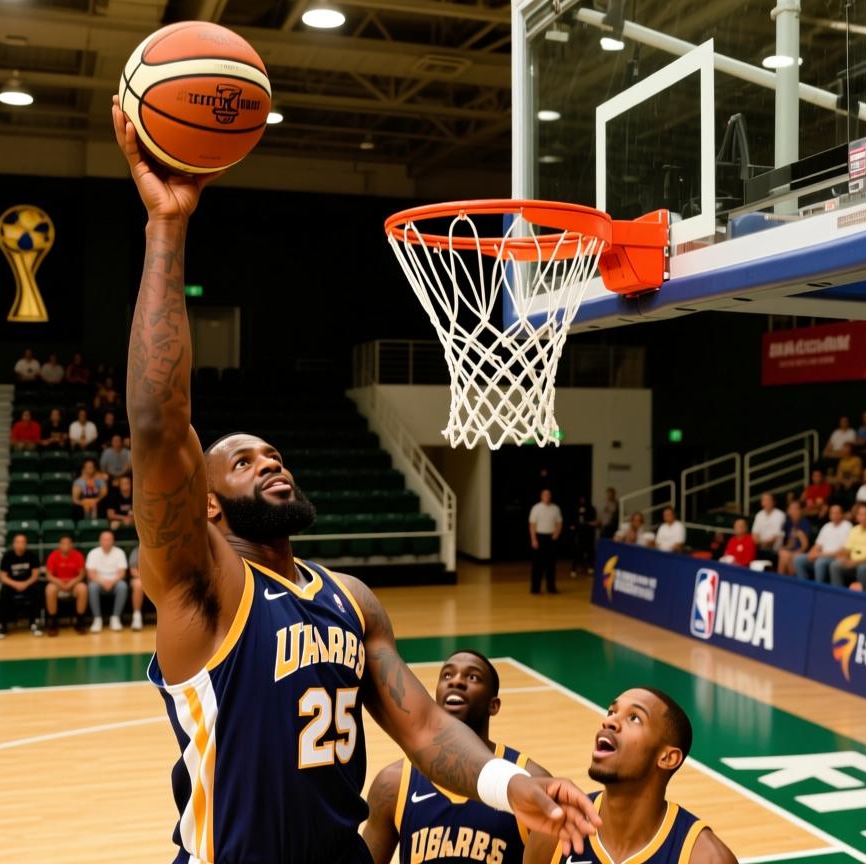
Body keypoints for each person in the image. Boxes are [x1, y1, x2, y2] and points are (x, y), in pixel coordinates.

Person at [112, 98, 599, 864]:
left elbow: (424, 728)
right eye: (244, 461)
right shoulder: (200, 584)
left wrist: (511, 786)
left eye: (274, 454)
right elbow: (157, 422)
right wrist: (166, 227)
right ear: (205, 502)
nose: (271, 462)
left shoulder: (351, 599)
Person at [362, 651, 549, 864]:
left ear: (494, 705)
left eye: (473, 677)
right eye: (447, 675)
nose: (456, 681)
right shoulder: (394, 783)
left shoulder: (529, 779)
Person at [523, 688, 737, 864]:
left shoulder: (705, 858)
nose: (610, 722)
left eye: (634, 718)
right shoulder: (553, 834)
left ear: (667, 758)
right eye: (611, 712)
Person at [0, 533, 43, 638]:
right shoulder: (7, 556)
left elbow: (35, 575)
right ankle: (2, 625)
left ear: (26, 544)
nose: (20, 544)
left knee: (37, 590)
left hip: (28, 583)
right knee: (3, 592)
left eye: (23, 542)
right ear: (14, 544)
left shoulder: (32, 556)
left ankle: (35, 622)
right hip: (12, 584)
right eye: (18, 542)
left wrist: (25, 584)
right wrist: (16, 584)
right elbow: (2, 576)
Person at [828, 505, 866, 589]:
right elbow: (848, 549)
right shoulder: (854, 530)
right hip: (853, 561)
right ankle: (837, 593)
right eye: (861, 514)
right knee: (835, 565)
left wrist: (856, 562)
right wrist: (845, 558)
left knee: (863, 568)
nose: (864, 517)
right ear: (857, 517)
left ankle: (864, 595)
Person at [84, 530, 129, 633]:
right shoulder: (93, 553)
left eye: (109, 539)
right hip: (98, 582)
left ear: (113, 541)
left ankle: (115, 618)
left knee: (122, 586)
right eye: (104, 539)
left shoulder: (119, 552)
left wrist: (112, 582)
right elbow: (91, 574)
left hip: (115, 582)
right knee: (92, 587)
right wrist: (103, 582)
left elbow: (122, 573)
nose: (106, 541)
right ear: (100, 541)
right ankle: (97, 619)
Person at [794, 505, 852, 583]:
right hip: (821, 555)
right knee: (799, 559)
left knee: (820, 562)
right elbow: (818, 545)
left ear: (841, 514)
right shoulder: (827, 526)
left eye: (836, 513)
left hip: (835, 557)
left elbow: (843, 551)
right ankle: (803, 585)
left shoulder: (847, 526)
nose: (834, 515)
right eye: (832, 513)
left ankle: (818, 588)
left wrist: (820, 555)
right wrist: (811, 553)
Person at [44, 535, 88, 636]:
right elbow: (49, 575)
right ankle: (53, 623)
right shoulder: (53, 555)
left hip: (74, 584)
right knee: (50, 589)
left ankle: (80, 622)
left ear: (72, 545)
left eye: (68, 543)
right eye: (63, 543)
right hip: (58, 584)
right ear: (60, 545)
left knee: (83, 588)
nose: (66, 546)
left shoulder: (77, 555)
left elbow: (82, 574)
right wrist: (59, 583)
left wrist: (71, 583)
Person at [529, 489, 563, 595]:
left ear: (550, 496)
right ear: (541, 496)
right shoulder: (536, 508)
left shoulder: (555, 508)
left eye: (548, 495)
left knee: (551, 564)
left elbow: (559, 523)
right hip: (539, 537)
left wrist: (557, 533)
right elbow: (532, 525)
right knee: (537, 565)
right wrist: (534, 539)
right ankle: (535, 588)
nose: (546, 496)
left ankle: (551, 588)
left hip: (551, 538)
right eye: (544, 495)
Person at [776, 500, 811, 576]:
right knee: (783, 553)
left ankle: (788, 579)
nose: (794, 511)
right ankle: (782, 578)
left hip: (801, 551)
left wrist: (800, 536)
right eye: (791, 509)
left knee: (789, 556)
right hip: (791, 550)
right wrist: (784, 547)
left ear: (800, 510)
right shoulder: (788, 523)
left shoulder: (805, 523)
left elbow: (805, 545)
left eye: (796, 509)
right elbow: (789, 544)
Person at [749, 493, 785, 559]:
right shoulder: (759, 515)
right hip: (760, 547)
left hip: (774, 548)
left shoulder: (780, 515)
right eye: (764, 500)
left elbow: (775, 537)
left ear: (774, 502)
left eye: (769, 500)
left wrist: (762, 543)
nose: (766, 502)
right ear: (761, 503)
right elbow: (755, 534)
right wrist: (760, 543)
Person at [570, 495, 598, 576]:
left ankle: (590, 567)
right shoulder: (576, 508)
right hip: (579, 533)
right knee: (577, 550)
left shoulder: (591, 508)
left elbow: (593, 521)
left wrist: (587, 523)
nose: (582, 501)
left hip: (588, 533)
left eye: (584, 499)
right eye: (581, 499)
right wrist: (574, 526)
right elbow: (574, 520)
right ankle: (574, 569)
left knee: (589, 550)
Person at [128, 545, 145, 631]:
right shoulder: (136, 551)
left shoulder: (161, 549)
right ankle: (137, 617)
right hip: (141, 578)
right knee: (138, 584)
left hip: (158, 579)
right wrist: (147, 579)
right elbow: (133, 571)